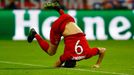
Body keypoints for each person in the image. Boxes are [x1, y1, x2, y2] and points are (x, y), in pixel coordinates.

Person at [27, 0, 106, 68]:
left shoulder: (87, 54)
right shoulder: (67, 56)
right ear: (66, 61)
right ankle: (35, 34)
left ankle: (58, 9)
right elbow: (56, 64)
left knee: (66, 20)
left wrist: (97, 64)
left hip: (68, 18)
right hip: (58, 27)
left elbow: (103, 50)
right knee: (51, 52)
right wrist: (59, 66)